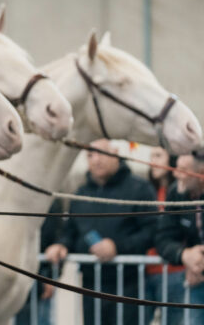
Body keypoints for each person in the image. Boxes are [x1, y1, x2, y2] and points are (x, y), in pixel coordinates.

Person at [45, 139, 156, 325]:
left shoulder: (139, 189)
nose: (96, 160)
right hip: (91, 284)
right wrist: (61, 245)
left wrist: (117, 247)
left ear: (115, 153)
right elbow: (70, 231)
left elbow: (152, 231)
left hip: (129, 285)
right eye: (90, 155)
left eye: (101, 153)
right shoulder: (80, 194)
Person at [155, 145, 204, 325]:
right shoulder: (177, 192)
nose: (176, 174)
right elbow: (163, 237)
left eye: (183, 170)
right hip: (199, 280)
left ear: (202, 173)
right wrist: (185, 255)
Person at [145, 147, 184, 325]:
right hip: (147, 269)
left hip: (173, 270)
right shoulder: (147, 191)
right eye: (151, 156)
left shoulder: (178, 193)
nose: (153, 161)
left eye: (158, 156)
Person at [15, 200, 64, 325]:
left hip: (38, 282)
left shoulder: (51, 203)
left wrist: (50, 277)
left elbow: (58, 238)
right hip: (12, 280)